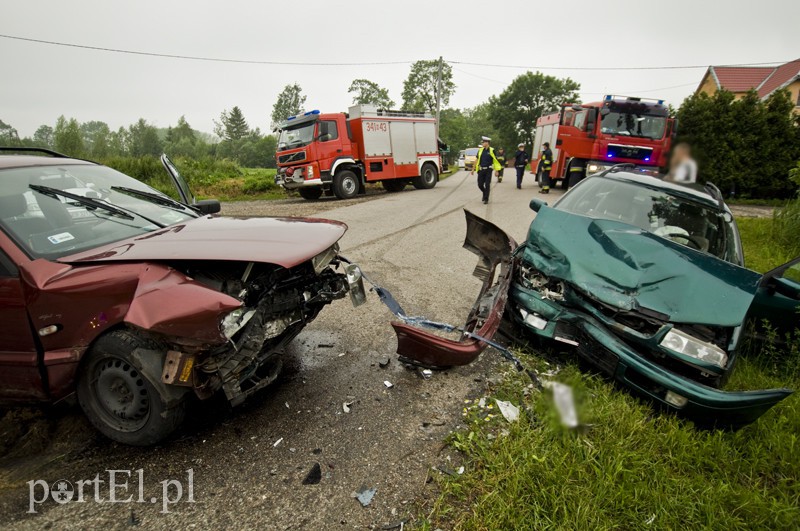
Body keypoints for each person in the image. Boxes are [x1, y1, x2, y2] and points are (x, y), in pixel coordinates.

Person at [470, 136, 501, 204]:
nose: (482, 143)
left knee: (487, 184)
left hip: (488, 170)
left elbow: (495, 160)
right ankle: (484, 192)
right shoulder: (480, 150)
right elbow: (476, 160)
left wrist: (497, 170)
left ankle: (486, 198)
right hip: (481, 170)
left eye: (483, 142)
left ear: (487, 142)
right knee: (480, 184)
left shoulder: (492, 150)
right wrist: (473, 169)